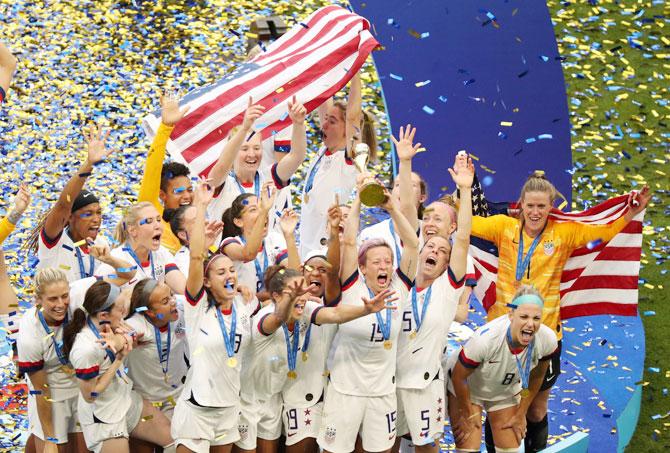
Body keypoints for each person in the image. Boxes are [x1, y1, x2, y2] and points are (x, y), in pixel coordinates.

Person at [470, 173, 650, 452]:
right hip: (502, 336)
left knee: (537, 409)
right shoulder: (503, 228)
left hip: (545, 336)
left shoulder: (563, 234)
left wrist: (632, 212)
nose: (535, 212)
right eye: (530, 206)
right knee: (499, 409)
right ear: (521, 205)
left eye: (541, 206)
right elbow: (467, 224)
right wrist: (460, 186)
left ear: (551, 207)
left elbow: (602, 233)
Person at [316, 176, 418, 453]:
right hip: (345, 390)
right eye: (376, 262)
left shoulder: (398, 287)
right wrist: (360, 197)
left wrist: (392, 208)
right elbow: (349, 243)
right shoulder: (352, 286)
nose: (384, 265)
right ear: (363, 268)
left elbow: (412, 246)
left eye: (388, 261)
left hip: (382, 392)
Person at [251, 265, 397, 453]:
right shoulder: (264, 317)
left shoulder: (305, 309)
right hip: (260, 399)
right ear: (277, 296)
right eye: (294, 292)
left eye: (303, 291)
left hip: (293, 394)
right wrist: (290, 301)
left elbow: (335, 314)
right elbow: (279, 317)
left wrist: (365, 310)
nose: (302, 297)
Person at [170, 180, 258, 452]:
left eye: (231, 270)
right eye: (221, 273)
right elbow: (197, 258)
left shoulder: (244, 305)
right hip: (198, 407)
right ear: (206, 283)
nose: (230, 275)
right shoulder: (198, 309)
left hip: (229, 405)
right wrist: (202, 205)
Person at [394, 154, 474, 452]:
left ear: (445, 264)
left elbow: (463, 238)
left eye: (443, 251)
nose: (435, 250)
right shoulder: (400, 279)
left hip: (424, 384)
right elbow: (405, 210)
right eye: (430, 247)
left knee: (426, 447)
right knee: (385, 445)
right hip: (389, 380)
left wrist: (464, 191)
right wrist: (404, 163)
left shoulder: (447, 287)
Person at [63, 280, 175, 453]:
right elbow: (90, 395)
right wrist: (119, 360)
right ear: (103, 315)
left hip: (125, 399)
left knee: (173, 439)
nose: (125, 314)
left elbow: (129, 290)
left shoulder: (107, 325)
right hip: (104, 416)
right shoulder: (85, 349)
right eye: (121, 310)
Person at [447, 286, 559, 453]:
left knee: (511, 450)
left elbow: (537, 376)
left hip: (504, 392)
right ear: (511, 315)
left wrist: (521, 413)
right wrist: (466, 413)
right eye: (524, 316)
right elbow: (459, 377)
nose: (530, 324)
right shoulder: (486, 340)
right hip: (469, 391)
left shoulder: (547, 340)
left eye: (536, 318)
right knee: (468, 446)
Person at [299, 72, 378, 256]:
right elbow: (323, 95)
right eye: (325, 120)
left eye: (332, 121)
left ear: (346, 130)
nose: (324, 125)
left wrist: (355, 71)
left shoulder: (349, 159)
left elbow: (353, 117)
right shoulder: (324, 150)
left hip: (327, 251)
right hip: (306, 249)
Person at [26, 124, 117, 282]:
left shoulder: (102, 244)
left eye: (98, 213)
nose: (96, 219)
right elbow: (63, 205)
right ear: (69, 217)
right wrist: (88, 164)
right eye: (88, 214)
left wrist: (111, 261)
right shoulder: (55, 243)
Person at [206, 97, 307, 235]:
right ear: (233, 151)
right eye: (244, 148)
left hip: (265, 253)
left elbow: (297, 156)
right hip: (230, 255)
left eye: (257, 148)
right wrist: (244, 128)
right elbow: (223, 165)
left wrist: (298, 124)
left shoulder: (269, 177)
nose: (252, 154)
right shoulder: (222, 183)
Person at [359, 125, 428, 266]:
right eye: (397, 185)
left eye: (410, 185)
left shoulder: (428, 231)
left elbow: (407, 205)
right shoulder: (370, 234)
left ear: (422, 197)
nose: (403, 187)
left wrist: (405, 162)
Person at [138, 93, 193, 254]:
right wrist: (165, 128)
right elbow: (152, 169)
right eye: (179, 191)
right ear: (162, 195)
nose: (187, 196)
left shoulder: (200, 224)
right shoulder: (153, 216)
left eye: (189, 190)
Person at [220, 189, 299, 295]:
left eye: (261, 207)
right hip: (242, 307)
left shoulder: (274, 239)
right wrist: (263, 212)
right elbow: (249, 254)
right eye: (253, 210)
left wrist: (289, 235)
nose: (262, 212)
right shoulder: (230, 243)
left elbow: (295, 275)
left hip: (269, 307)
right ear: (238, 222)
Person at [97, 202, 186, 293]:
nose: (158, 226)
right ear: (132, 230)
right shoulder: (114, 261)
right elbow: (97, 301)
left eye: (159, 220)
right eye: (149, 221)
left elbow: (184, 289)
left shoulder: (162, 253)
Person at [163, 205, 223, 276]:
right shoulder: (181, 261)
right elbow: (194, 286)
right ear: (183, 235)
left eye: (203, 217)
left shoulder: (211, 250)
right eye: (197, 221)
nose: (206, 221)